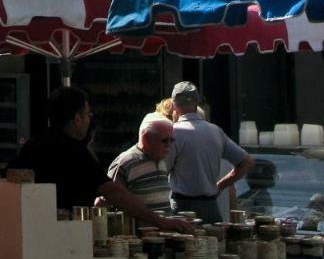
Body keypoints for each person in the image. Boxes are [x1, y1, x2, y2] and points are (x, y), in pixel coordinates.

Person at [10, 86, 195, 232]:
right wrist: (159, 220)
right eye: (88, 115)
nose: (90, 120)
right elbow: (113, 192)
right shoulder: (76, 151)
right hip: (65, 235)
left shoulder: (32, 146)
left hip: (26, 229)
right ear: (77, 118)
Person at [168, 81, 254, 224]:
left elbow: (161, 170)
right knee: (213, 246)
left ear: (173, 106)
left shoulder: (173, 132)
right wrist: (219, 186)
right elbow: (247, 162)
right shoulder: (216, 131)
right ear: (196, 105)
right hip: (210, 208)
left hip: (182, 210)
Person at [105, 114, 175, 218]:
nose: (169, 145)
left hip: (162, 231)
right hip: (137, 232)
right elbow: (107, 201)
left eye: (172, 140)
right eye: (164, 140)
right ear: (146, 138)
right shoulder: (125, 163)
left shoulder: (161, 161)